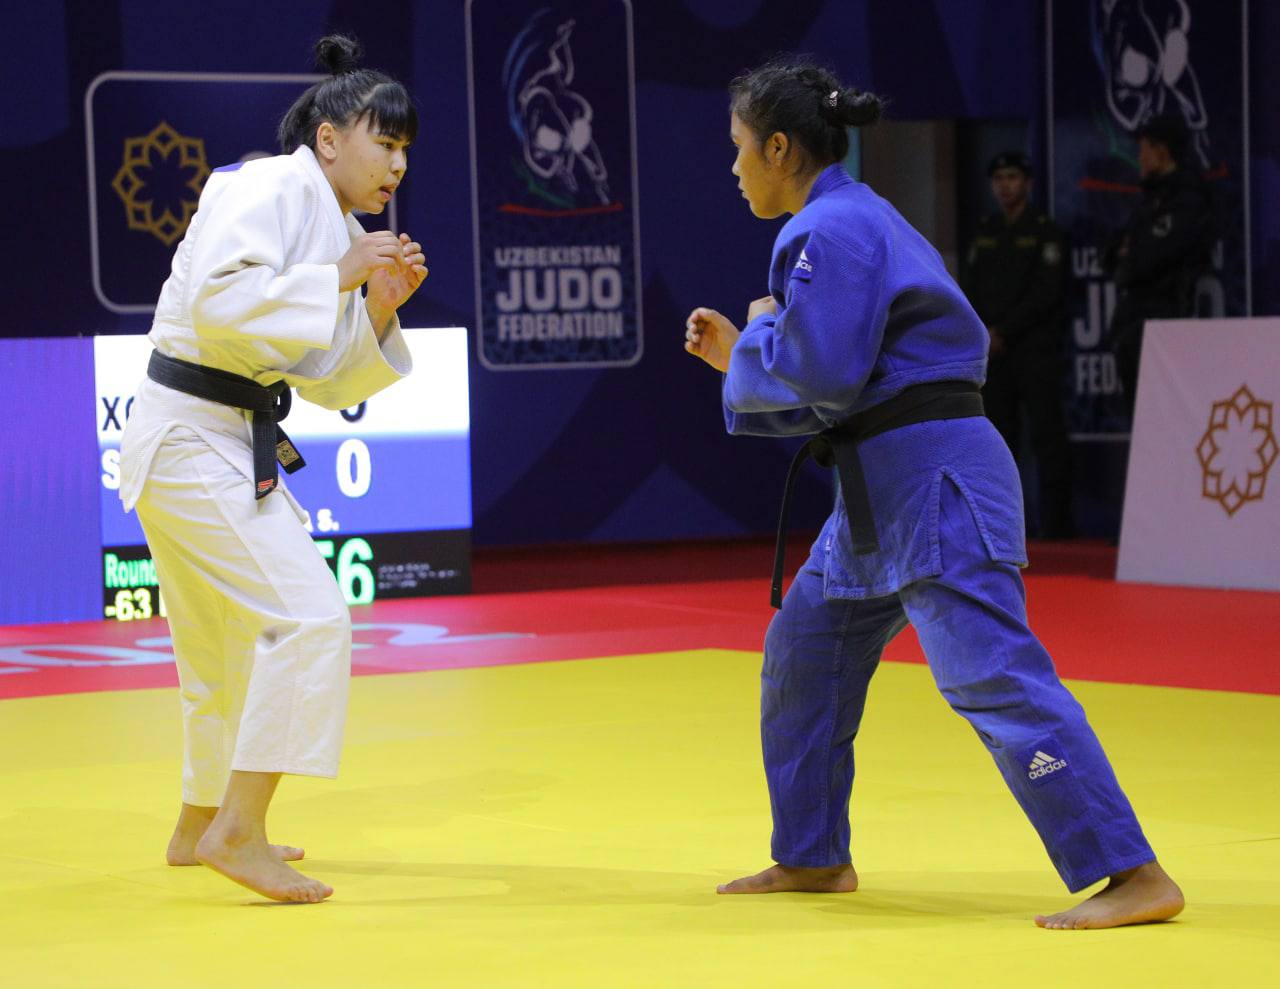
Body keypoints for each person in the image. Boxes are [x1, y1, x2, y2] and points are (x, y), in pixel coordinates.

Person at [683, 57, 1183, 930]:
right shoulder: (850, 218)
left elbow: (823, 374)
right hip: (880, 490)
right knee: (804, 653)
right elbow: (839, 382)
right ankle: (812, 852)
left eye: (739, 147)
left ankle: (1132, 871)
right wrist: (748, 357)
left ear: (779, 148)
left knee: (990, 675)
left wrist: (755, 339)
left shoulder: (831, 228)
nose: (733, 167)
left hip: (935, 483)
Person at [118, 34, 427, 903]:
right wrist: (338, 273)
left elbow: (323, 379)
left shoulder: (338, 227)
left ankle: (198, 822)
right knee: (310, 617)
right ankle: (238, 829)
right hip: (189, 435)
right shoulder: (263, 187)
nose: (397, 165)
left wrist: (374, 306)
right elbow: (217, 302)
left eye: (405, 149)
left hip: (214, 437)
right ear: (329, 138)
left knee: (221, 649)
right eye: (384, 142)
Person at [961, 152, 1074, 537]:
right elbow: (969, 289)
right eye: (999, 179)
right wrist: (986, 333)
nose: (1005, 185)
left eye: (1012, 177)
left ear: (1027, 182)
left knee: (1047, 435)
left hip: (1033, 349)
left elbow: (1046, 293)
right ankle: (1002, 527)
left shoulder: (1045, 231)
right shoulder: (985, 231)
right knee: (998, 441)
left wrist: (1004, 331)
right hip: (994, 354)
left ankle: (1058, 526)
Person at [1106, 113, 1215, 413]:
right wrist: (1127, 254)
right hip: (1135, 316)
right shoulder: (1150, 197)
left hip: (1167, 318)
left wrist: (1131, 254)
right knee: (1139, 411)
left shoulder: (1188, 198)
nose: (1139, 157)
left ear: (1162, 151)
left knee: (1162, 411)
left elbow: (1152, 257)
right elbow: (1113, 252)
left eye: (1144, 149)